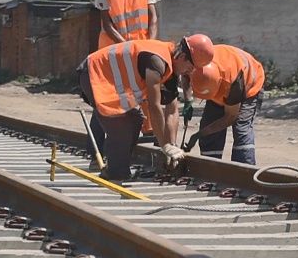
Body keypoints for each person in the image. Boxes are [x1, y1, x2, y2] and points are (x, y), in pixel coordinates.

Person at [77, 34, 214, 181]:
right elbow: (154, 107)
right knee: (120, 125)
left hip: (111, 83)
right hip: (95, 74)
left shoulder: (171, 68)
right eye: (190, 67)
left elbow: (172, 111)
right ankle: (116, 173)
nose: (190, 72)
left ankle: (116, 168)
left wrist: (172, 145)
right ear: (182, 57)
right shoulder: (156, 62)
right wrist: (164, 146)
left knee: (135, 119)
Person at [93, 0, 163, 139]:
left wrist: (151, 45)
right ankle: (99, 147)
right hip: (112, 52)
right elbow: (107, 24)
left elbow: (153, 18)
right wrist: (127, 47)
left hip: (141, 48)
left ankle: (149, 135)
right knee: (108, 97)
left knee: (146, 90)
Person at [184, 45, 265, 165]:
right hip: (224, 78)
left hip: (250, 86)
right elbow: (184, 75)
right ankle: (211, 168)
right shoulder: (196, 64)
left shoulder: (234, 84)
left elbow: (229, 118)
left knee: (241, 128)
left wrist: (198, 135)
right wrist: (187, 101)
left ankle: (244, 170)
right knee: (209, 123)